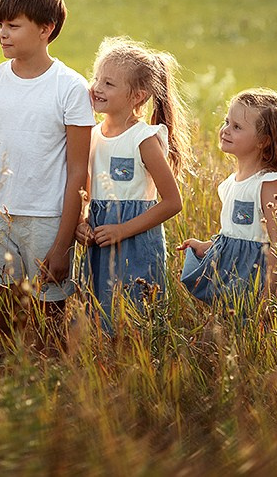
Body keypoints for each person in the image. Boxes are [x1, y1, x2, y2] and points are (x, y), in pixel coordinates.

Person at [0, 0, 93, 350]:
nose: (2, 34)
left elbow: (77, 172)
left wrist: (64, 243)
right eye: (0, 25)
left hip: (47, 221)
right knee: (3, 318)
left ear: (45, 29)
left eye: (13, 25)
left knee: (51, 323)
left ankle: (50, 392)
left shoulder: (69, 87)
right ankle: (6, 388)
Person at [76, 37, 187, 332]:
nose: (97, 87)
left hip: (135, 243)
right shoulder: (92, 134)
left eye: (109, 83)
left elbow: (172, 202)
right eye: (97, 78)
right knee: (96, 317)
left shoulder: (143, 139)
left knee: (132, 321)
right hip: (100, 240)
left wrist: (122, 230)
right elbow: (87, 192)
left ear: (137, 96)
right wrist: (82, 222)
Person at [178, 89, 277, 310]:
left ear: (263, 140)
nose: (225, 131)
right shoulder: (230, 183)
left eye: (237, 127)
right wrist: (206, 247)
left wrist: (268, 298)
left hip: (255, 278)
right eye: (227, 122)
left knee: (252, 332)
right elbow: (234, 234)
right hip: (229, 275)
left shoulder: (268, 183)